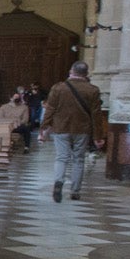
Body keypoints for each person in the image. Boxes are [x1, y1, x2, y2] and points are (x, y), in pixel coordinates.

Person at [41, 61, 102, 202]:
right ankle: (75, 191)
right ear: (86, 74)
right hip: (82, 129)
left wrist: (44, 127)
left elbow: (50, 109)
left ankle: (58, 182)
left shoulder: (58, 88)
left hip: (61, 128)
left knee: (61, 157)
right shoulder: (93, 90)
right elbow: (96, 115)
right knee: (79, 160)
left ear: (71, 71)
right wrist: (98, 136)